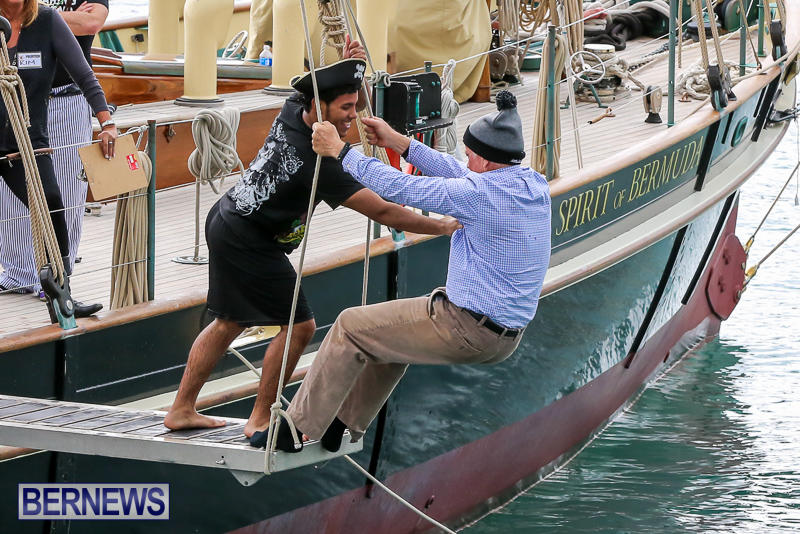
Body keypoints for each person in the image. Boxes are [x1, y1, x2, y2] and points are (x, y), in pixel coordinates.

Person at [163, 40, 460, 438]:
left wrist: (351, 65)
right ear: (320, 108)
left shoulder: (294, 110)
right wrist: (441, 226)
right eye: (346, 109)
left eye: (354, 107)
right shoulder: (318, 161)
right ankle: (260, 417)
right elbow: (385, 212)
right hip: (250, 240)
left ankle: (181, 409)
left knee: (229, 322)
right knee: (300, 327)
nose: (353, 116)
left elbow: (325, 89)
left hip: (226, 219)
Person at [252, 90, 552, 452]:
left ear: (487, 163)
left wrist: (341, 152)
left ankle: (295, 428)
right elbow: (455, 170)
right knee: (387, 339)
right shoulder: (531, 183)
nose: (466, 159)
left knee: (350, 326)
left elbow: (398, 187)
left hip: (465, 327)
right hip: (503, 339)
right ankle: (340, 425)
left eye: (471, 154)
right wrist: (398, 141)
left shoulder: (477, 195)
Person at [0, 0, 116, 317]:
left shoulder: (47, 20)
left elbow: (85, 75)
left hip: (27, 140)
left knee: (52, 202)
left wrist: (106, 122)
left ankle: (62, 294)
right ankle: (17, 275)